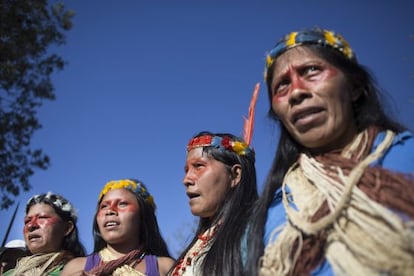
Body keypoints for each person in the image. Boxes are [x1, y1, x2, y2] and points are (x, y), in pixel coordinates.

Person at [246, 27, 414, 275]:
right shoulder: (270, 213)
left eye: (311, 71)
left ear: (355, 87)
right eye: (282, 85)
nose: (296, 92)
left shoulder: (407, 156)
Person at [170, 131, 259, 275]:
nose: (186, 180)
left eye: (198, 166)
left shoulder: (257, 233)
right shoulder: (202, 241)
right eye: (186, 170)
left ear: (235, 175)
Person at [61, 179, 174, 276]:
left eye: (122, 204)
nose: (110, 211)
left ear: (142, 216)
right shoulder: (75, 268)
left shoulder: (164, 267)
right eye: (104, 206)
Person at [3, 192, 86, 275]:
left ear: (67, 228)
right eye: (27, 221)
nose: (31, 225)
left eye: (42, 217)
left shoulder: (86, 269)